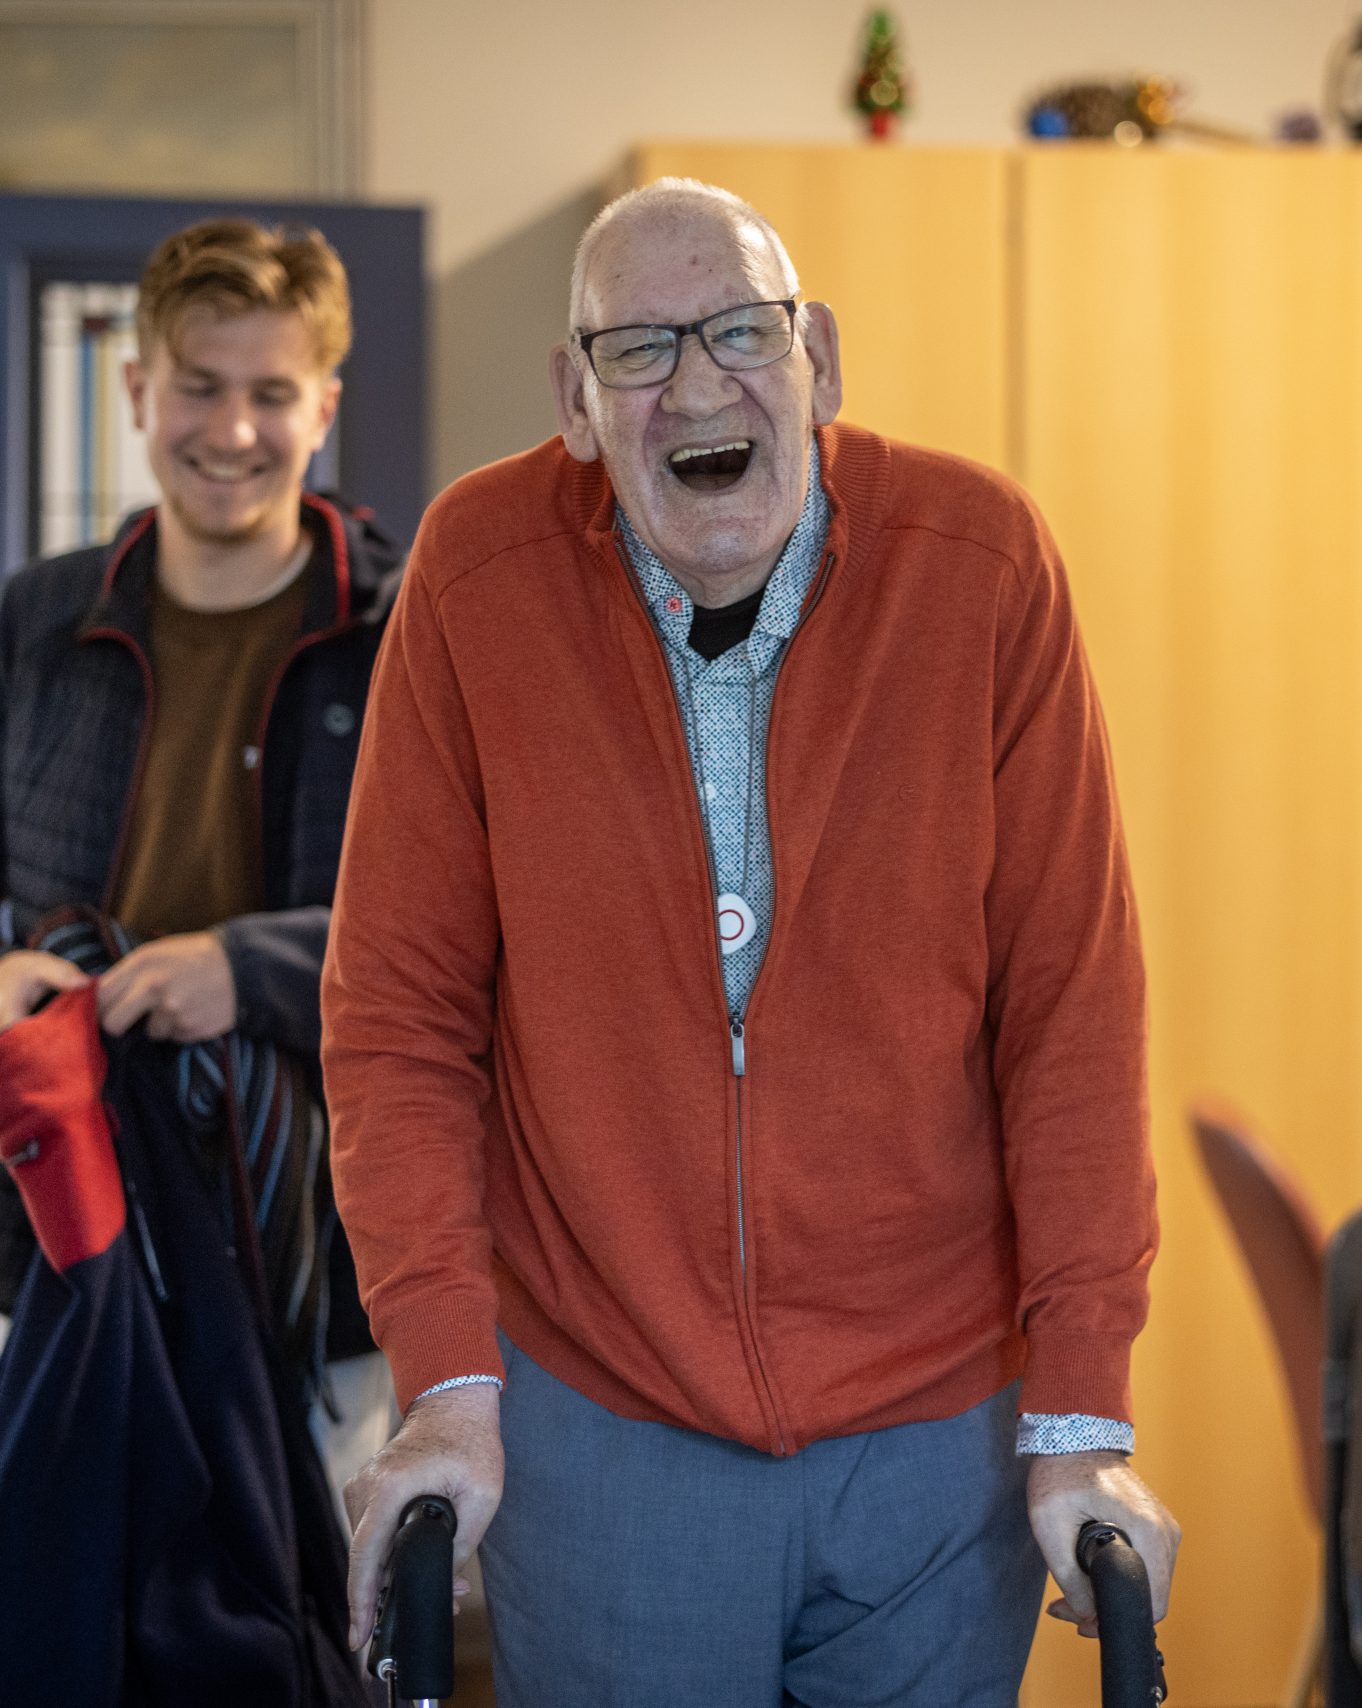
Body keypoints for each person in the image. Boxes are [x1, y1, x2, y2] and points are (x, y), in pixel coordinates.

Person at [322, 178, 1180, 1703]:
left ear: (821, 363)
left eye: (740, 330)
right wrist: (448, 1387)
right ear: (574, 403)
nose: (699, 384)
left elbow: (1073, 1012)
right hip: (606, 1420)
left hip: (934, 1428)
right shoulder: (475, 576)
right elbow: (399, 1018)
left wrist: (1081, 1414)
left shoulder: (979, 566)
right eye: (637, 350)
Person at [0, 216, 400, 1490]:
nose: (231, 431)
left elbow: (485, 922)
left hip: (330, 1241)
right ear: (135, 391)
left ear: (323, 405)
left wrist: (252, 971)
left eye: (271, 393)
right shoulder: (35, 622)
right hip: (74, 1211)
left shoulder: (407, 632)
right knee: (74, 1614)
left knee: (308, 1640)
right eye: (199, 388)